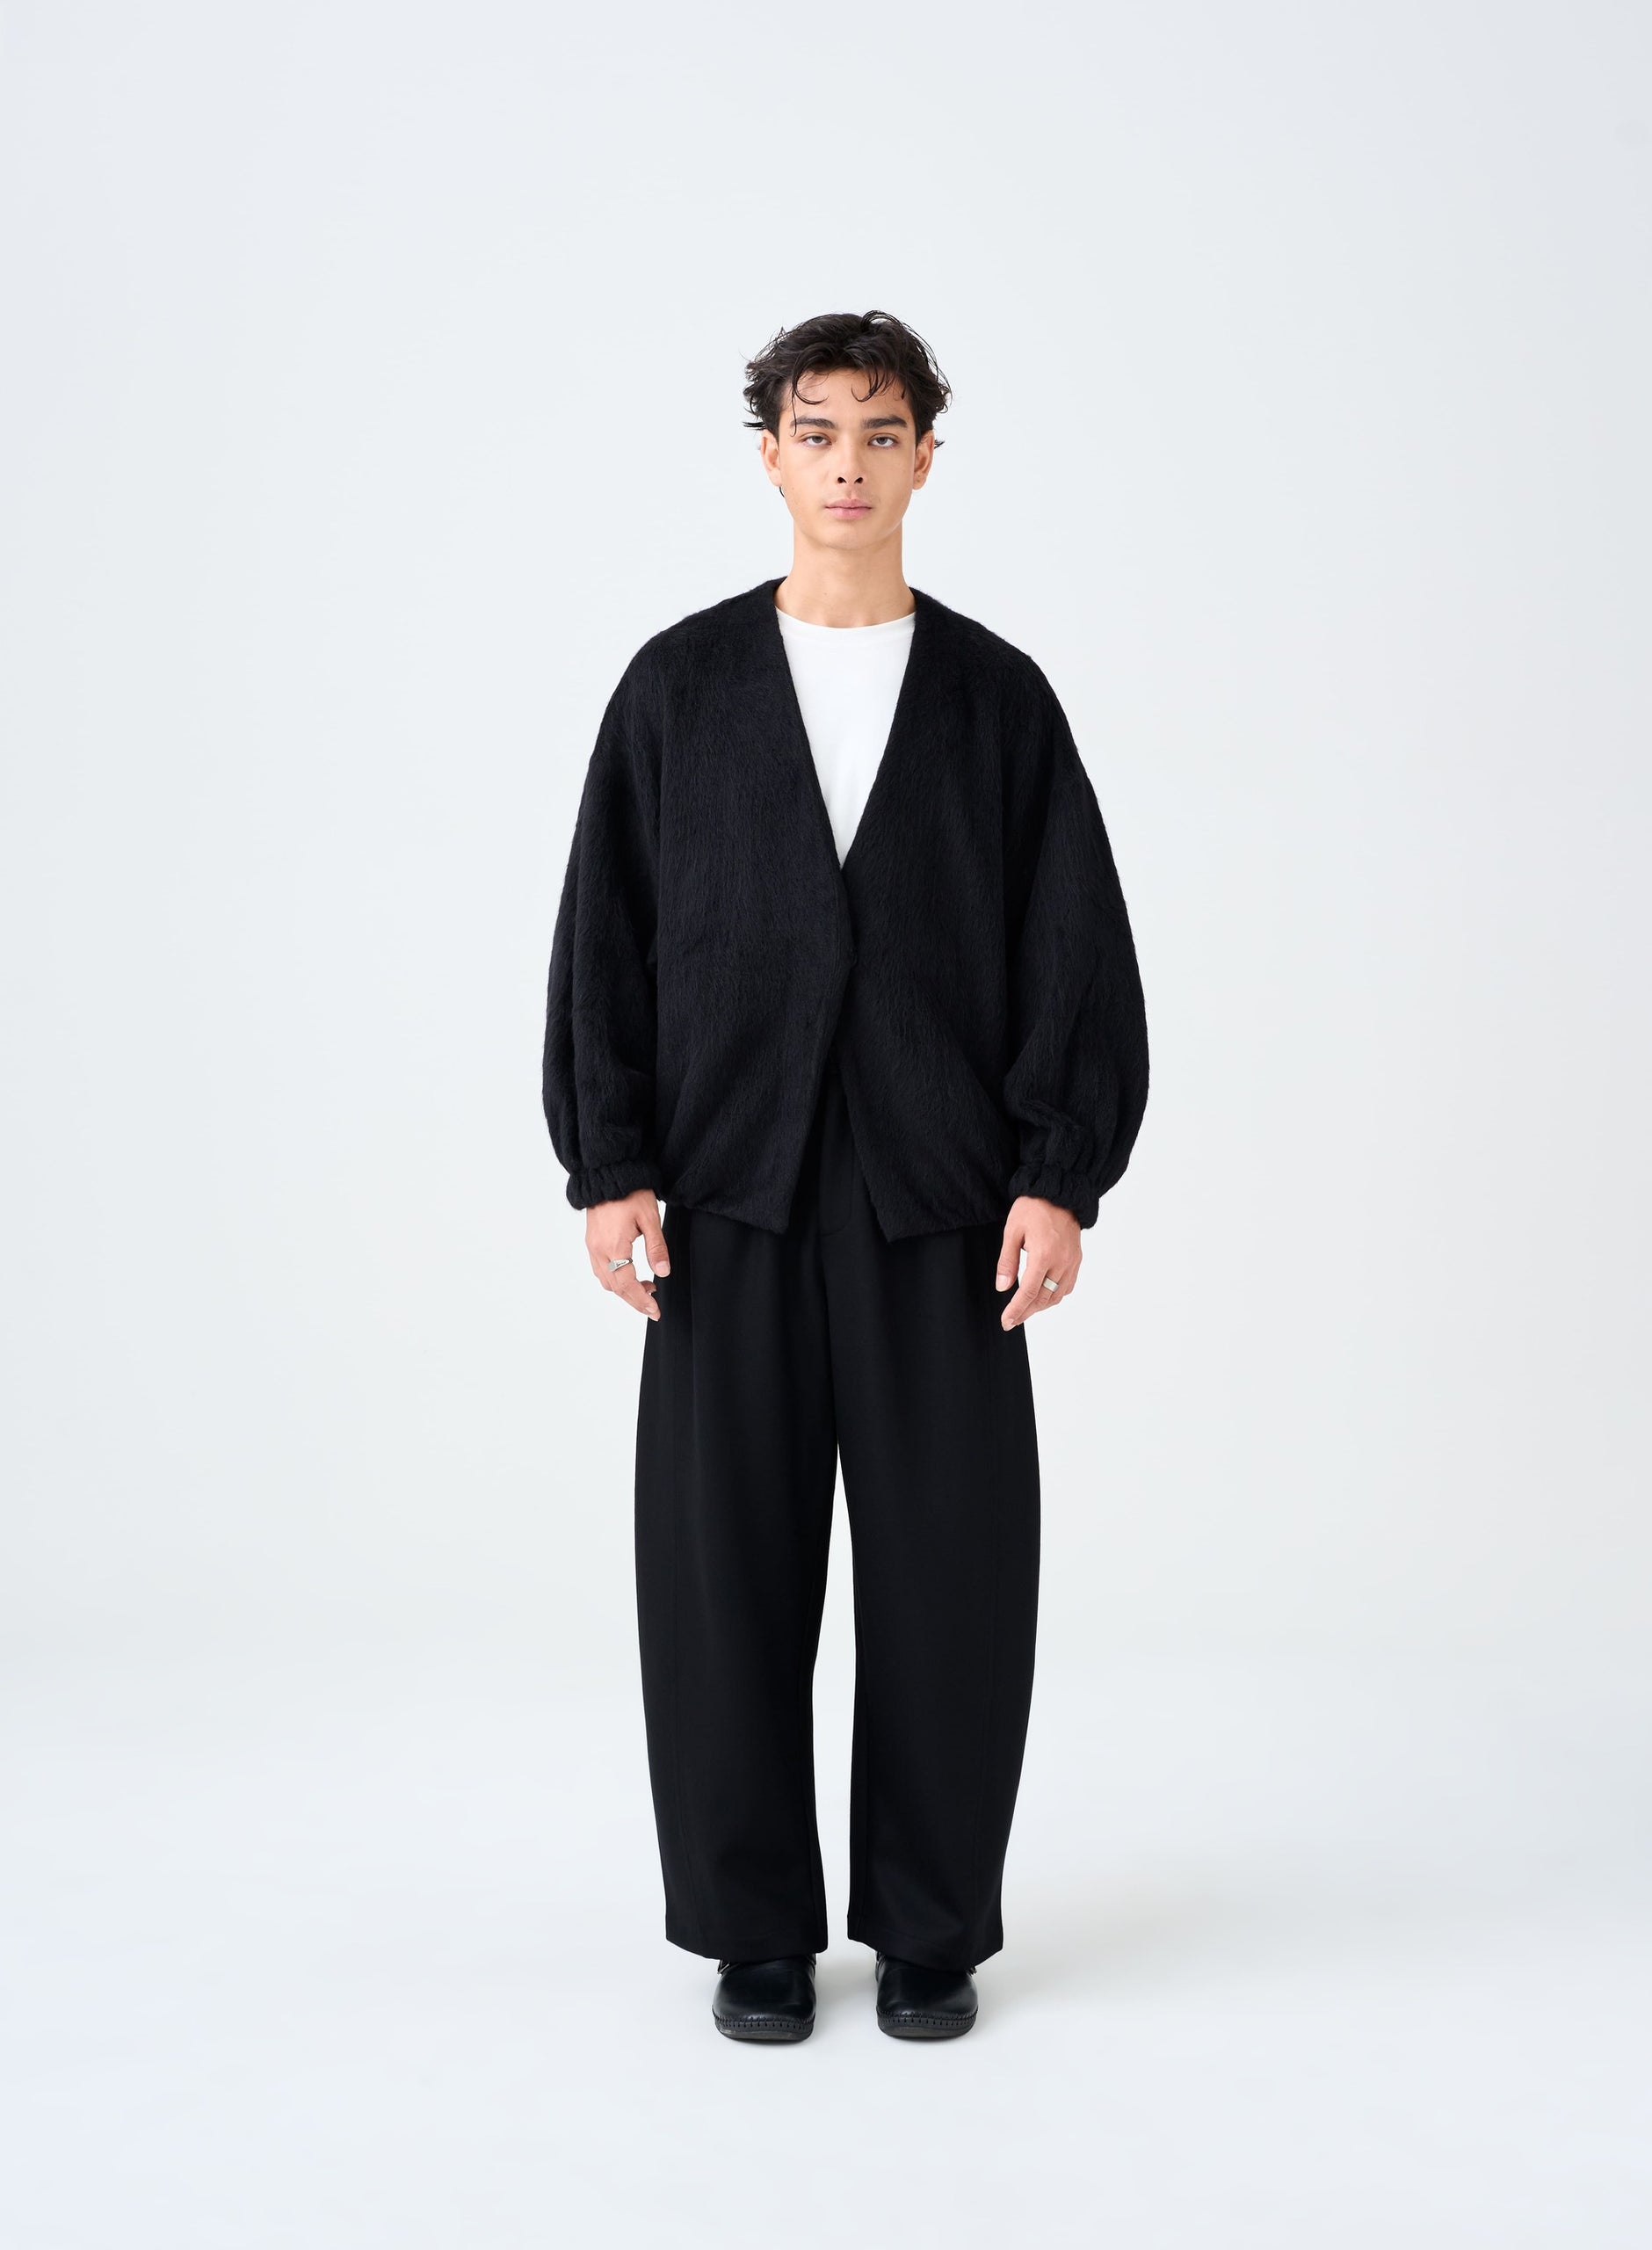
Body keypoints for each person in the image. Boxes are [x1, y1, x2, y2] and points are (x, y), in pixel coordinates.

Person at [542, 309, 1149, 2043]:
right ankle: (754, 1928)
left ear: (925, 460)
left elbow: (1073, 942)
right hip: (726, 1201)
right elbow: (608, 935)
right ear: (772, 458)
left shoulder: (996, 700)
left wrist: (1060, 1175)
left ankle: (932, 1924)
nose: (850, 466)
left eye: (882, 434)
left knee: (954, 1577)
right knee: (721, 1583)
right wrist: (612, 1161)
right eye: (818, 433)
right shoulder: (679, 689)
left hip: (942, 1211)